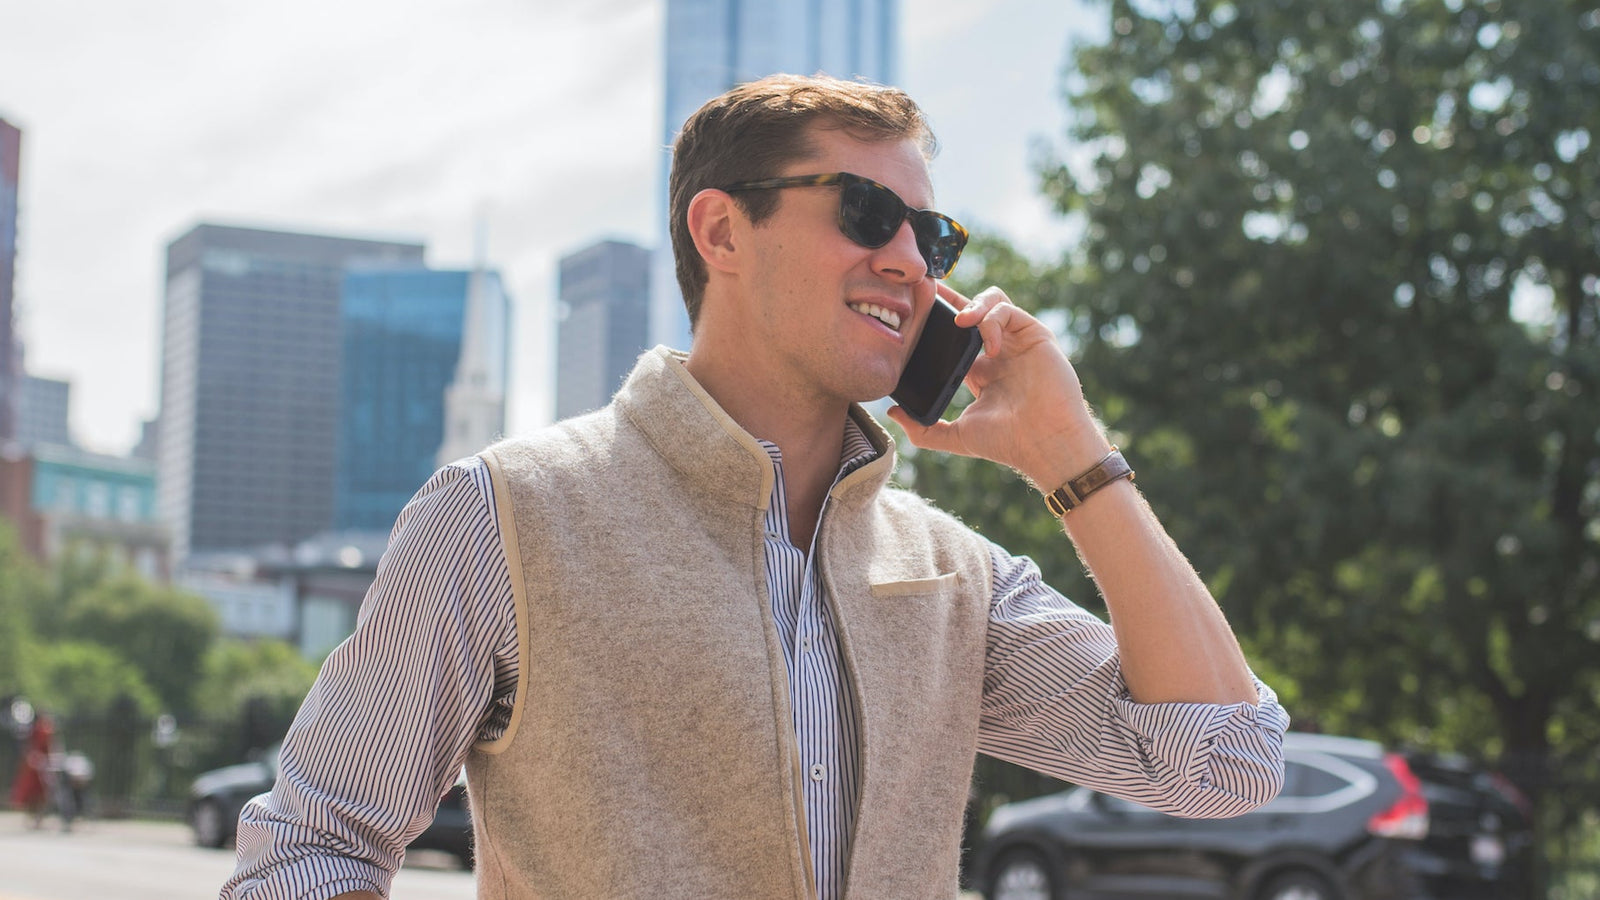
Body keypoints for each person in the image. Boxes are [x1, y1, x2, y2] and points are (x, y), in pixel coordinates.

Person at [223, 74, 1288, 900]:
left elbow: (1221, 764)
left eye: (933, 236)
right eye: (866, 211)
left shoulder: (954, 577)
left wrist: (1071, 456)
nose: (910, 261)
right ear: (722, 231)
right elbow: (312, 849)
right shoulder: (503, 517)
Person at [9, 713, 55, 828]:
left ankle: (36, 819)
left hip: (36, 764)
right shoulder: (42, 729)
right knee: (37, 794)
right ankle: (35, 819)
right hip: (37, 764)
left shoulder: (36, 729)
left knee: (37, 794)